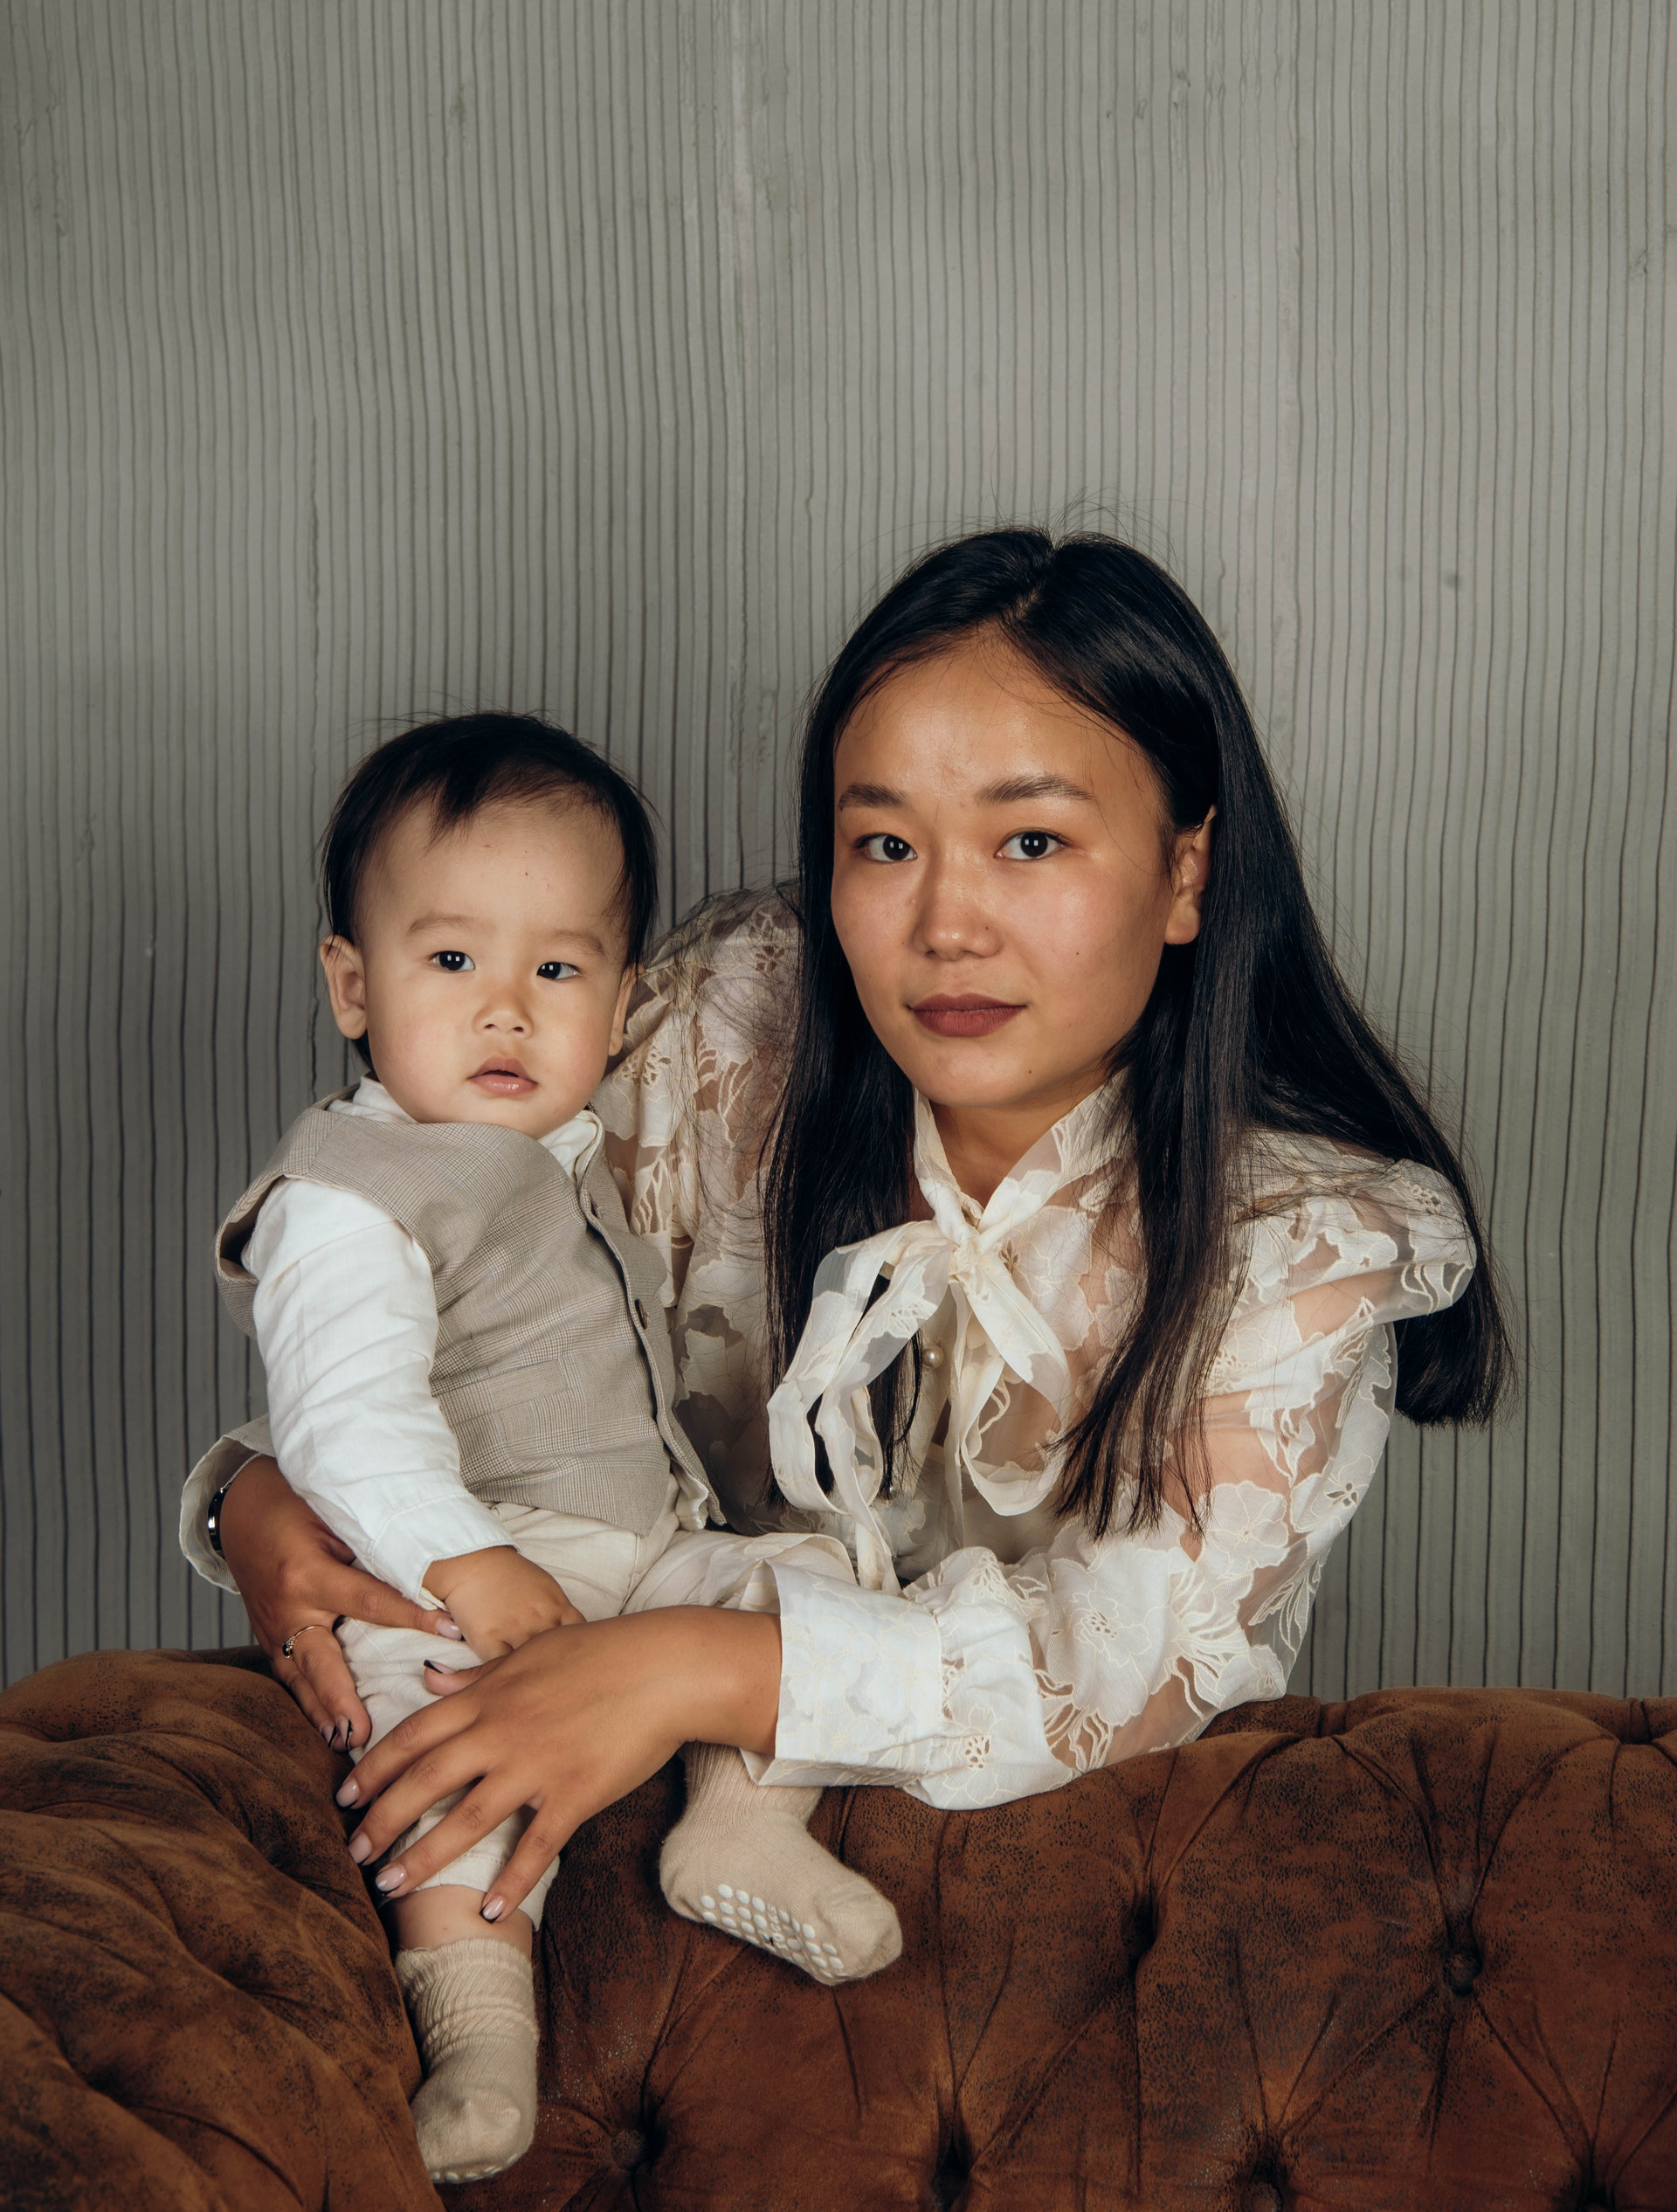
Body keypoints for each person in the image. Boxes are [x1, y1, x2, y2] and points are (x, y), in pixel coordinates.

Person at [188, 528, 1508, 1988]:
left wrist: (687, 1667)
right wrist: (258, 1493)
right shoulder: (723, 1036)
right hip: (612, 1889)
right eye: (885, 845)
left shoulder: (1299, 1241)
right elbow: (466, 1297)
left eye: (1031, 841)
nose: (946, 926)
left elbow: (1142, 1652)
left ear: (1185, 871)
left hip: (1037, 1947)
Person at [200, 714, 898, 2185]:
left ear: (622, 1003)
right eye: (453, 961)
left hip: (638, 1556)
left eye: (558, 973)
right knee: (436, 1749)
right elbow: (344, 1416)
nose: (506, 1012)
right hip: (461, 1567)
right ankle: (479, 2033)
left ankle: (739, 1825)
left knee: (816, 1582)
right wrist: (468, 1565)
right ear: (353, 984)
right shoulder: (349, 1198)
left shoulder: (563, 1159)